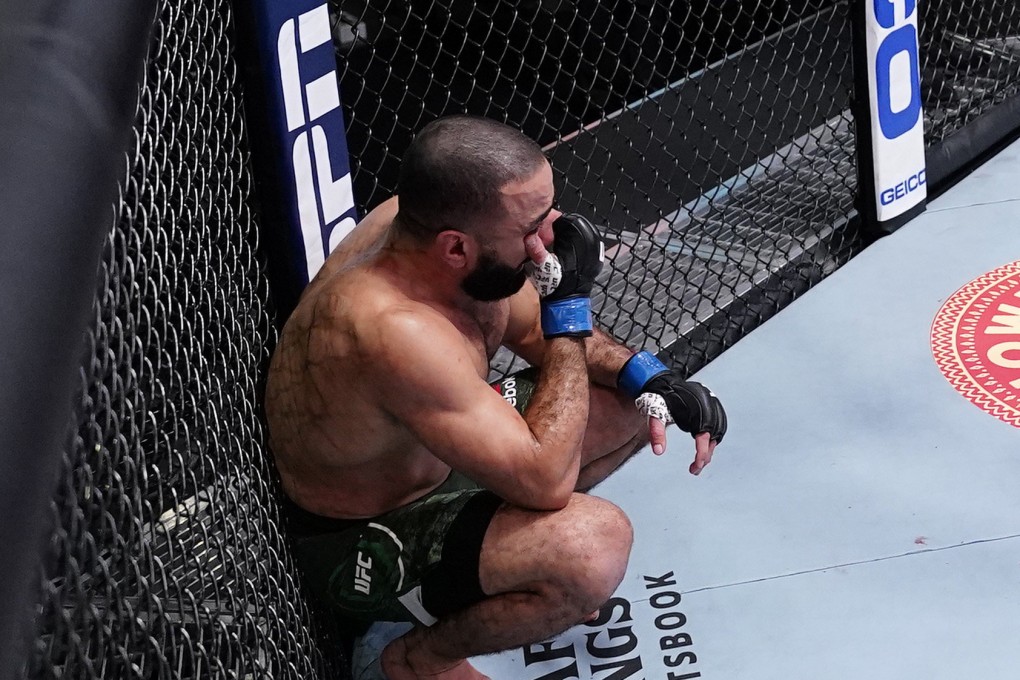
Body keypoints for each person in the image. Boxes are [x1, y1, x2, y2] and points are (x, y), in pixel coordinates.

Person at [264, 114, 726, 680]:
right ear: (456, 248)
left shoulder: (435, 232)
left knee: (630, 399)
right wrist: (569, 302)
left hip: (438, 457)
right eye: (532, 226)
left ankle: (512, 573)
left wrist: (654, 378)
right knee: (591, 548)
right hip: (367, 540)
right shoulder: (396, 329)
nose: (551, 236)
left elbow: (536, 334)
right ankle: (417, 660)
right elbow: (545, 480)